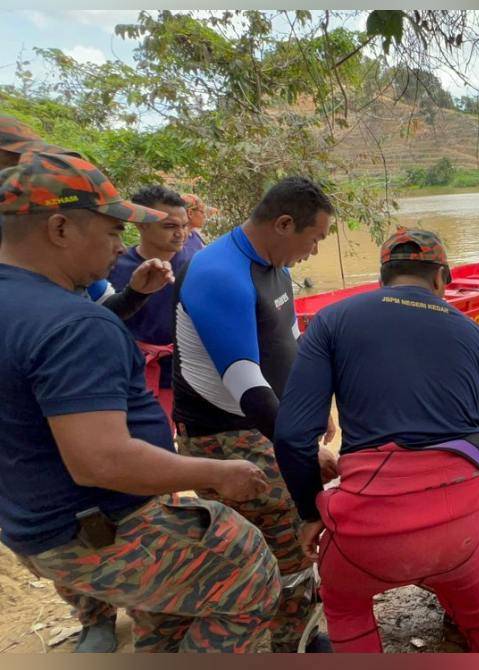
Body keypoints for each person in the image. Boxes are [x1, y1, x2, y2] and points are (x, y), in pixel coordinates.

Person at [0, 151, 281, 653]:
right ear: (60, 229)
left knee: (168, 607)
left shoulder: (26, 303)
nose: (118, 246)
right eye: (110, 232)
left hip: (30, 521)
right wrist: (213, 473)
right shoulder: (72, 323)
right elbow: (101, 460)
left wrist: (128, 298)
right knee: (249, 571)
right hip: (98, 527)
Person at [273, 227, 479, 653]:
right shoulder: (474, 334)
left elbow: (292, 436)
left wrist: (310, 511)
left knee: (344, 607)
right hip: (459, 530)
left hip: (367, 532)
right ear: (442, 278)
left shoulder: (332, 320)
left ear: (383, 278)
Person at [171, 176, 335, 653]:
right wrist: (300, 449)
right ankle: (291, 641)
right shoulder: (219, 273)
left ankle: (290, 627)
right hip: (226, 431)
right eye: (315, 238)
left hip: (269, 422)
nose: (315, 250)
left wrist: (314, 403)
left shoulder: (276, 266)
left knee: (286, 528)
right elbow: (247, 385)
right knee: (290, 526)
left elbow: (291, 341)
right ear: (284, 224)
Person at [1, 114, 174, 322]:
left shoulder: (72, 260)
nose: (24, 174)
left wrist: (135, 294)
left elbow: (100, 307)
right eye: (15, 163)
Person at [108, 185, 193, 413]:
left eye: (184, 226)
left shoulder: (196, 263)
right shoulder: (114, 266)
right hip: (133, 376)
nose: (181, 233)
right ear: (141, 225)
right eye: (170, 226)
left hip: (186, 374)